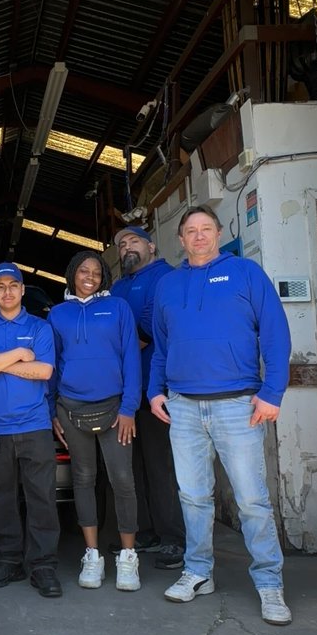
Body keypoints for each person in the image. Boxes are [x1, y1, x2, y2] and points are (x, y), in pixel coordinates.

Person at [148, 205, 293, 625]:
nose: (198, 237)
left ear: (218, 232)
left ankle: (269, 583)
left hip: (238, 406)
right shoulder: (169, 286)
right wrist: (155, 392)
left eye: (205, 229)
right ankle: (197, 572)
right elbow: (162, 345)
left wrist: (272, 392)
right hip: (183, 407)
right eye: (190, 231)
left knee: (251, 500)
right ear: (180, 239)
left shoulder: (247, 274)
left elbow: (276, 334)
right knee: (193, 498)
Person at [49, 251, 142, 591]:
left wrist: (129, 407)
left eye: (97, 272)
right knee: (83, 478)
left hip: (116, 408)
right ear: (72, 274)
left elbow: (131, 357)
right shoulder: (58, 314)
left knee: (123, 480)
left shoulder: (118, 307)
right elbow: (52, 367)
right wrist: (51, 411)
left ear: (104, 277)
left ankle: (128, 558)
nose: (90, 276)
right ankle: (92, 555)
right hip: (71, 408)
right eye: (83, 270)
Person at [0, 263, 62, 598]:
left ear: (23, 290)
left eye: (13, 285)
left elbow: (44, 371)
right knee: (1, 497)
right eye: (0, 286)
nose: (7, 291)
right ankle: (9, 559)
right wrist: (20, 355)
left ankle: (43, 565)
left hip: (35, 425)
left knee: (41, 497)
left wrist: (2, 362)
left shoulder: (40, 327)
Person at [111, 224, 185, 571]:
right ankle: (147, 531)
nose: (127, 247)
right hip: (124, 391)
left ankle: (174, 539)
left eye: (133, 241)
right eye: (121, 244)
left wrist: (102, 352)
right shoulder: (118, 286)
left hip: (155, 388)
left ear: (152, 246)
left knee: (161, 466)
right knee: (134, 465)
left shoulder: (164, 277)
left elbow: (144, 334)